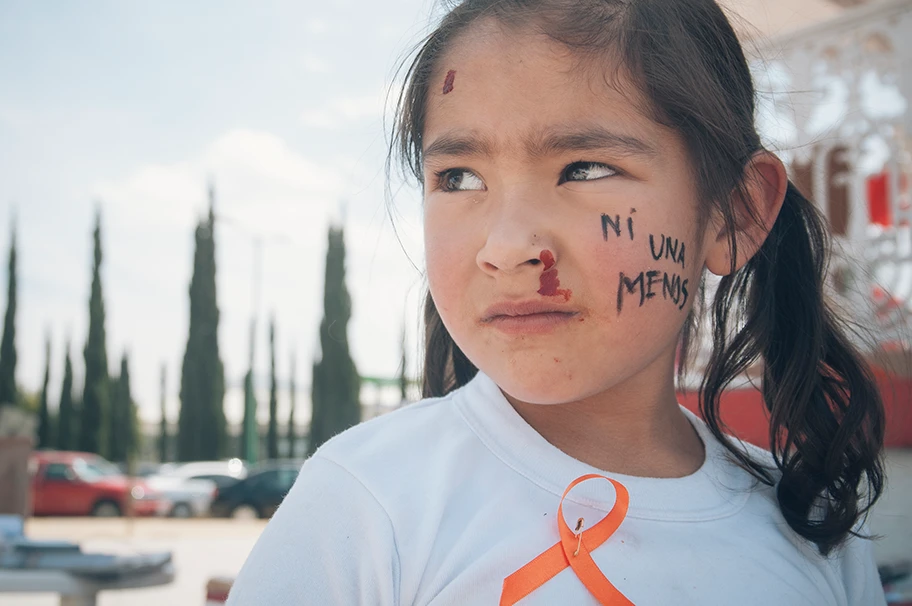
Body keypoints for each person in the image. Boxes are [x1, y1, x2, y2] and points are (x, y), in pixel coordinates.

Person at [227, 0, 887, 604]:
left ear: (734, 213)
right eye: (458, 178)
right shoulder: (369, 506)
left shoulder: (812, 528)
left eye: (585, 169)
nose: (508, 247)